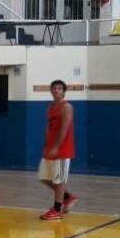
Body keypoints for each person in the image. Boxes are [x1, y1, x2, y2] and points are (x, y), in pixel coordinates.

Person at [39, 79, 77, 220]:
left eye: (60, 88)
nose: (56, 90)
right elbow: (48, 128)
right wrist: (46, 144)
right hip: (50, 149)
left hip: (62, 150)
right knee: (44, 177)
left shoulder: (66, 107)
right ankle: (67, 197)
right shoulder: (50, 108)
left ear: (63, 91)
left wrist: (56, 146)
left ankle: (56, 209)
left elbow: (65, 128)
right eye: (54, 88)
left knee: (59, 180)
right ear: (51, 91)